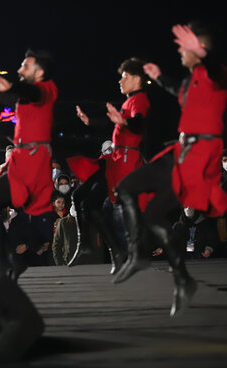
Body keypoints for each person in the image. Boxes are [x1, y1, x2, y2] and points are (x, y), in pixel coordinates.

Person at [113, 23, 227, 316]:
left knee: (152, 208)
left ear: (198, 50)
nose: (179, 51)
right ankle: (171, 273)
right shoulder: (193, 80)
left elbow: (214, 69)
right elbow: (179, 90)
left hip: (199, 156)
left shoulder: (216, 75)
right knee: (129, 192)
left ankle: (162, 266)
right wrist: (158, 76)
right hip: (180, 152)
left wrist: (202, 52)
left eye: (184, 47)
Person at [0, 49, 57, 277]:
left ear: (39, 72)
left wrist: (11, 87)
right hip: (24, 160)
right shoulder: (28, 95)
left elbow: (30, 92)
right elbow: (15, 97)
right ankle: (7, 259)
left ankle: (2, 263)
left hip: (32, 161)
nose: (20, 70)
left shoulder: (46, 89)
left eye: (25, 66)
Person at [68, 57, 151, 273]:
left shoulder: (139, 99)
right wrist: (90, 122)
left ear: (136, 78)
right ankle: (89, 246)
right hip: (114, 161)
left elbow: (138, 124)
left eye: (124, 77)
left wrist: (123, 121)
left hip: (124, 163)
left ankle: (119, 252)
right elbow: (114, 124)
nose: (120, 81)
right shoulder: (128, 101)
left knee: (94, 205)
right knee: (79, 197)